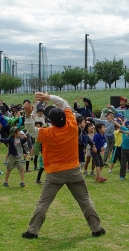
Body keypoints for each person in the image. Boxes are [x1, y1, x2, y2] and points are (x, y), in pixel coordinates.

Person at [22, 92, 105, 239]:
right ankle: (96, 228)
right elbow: (64, 103)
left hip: (55, 173)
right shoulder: (73, 125)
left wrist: (28, 115)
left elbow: (31, 130)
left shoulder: (48, 133)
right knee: (85, 201)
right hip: (74, 170)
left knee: (43, 203)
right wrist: (48, 97)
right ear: (65, 117)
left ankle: (32, 231)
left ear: (51, 121)